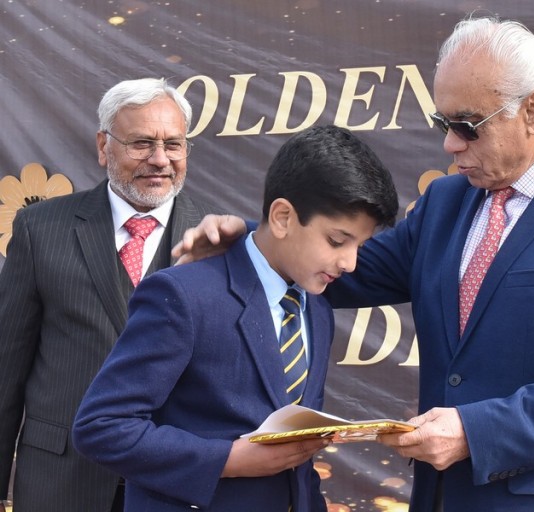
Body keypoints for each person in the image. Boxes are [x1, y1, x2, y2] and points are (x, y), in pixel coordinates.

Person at [173, 15, 534, 512]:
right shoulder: (446, 200)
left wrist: (476, 432)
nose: (450, 144)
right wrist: (256, 241)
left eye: (467, 126)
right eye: (443, 123)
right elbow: (346, 269)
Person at [71, 125, 399, 512]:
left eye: (361, 245)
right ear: (282, 217)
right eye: (337, 241)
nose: (350, 263)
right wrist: (225, 461)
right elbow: (101, 426)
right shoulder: (184, 296)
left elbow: (296, 459)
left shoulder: (317, 309)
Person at [0, 78, 226, 512]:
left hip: (173, 484)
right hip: (60, 482)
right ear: (104, 147)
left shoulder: (220, 241)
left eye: (173, 145)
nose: (160, 159)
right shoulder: (40, 229)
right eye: (141, 143)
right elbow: (6, 368)